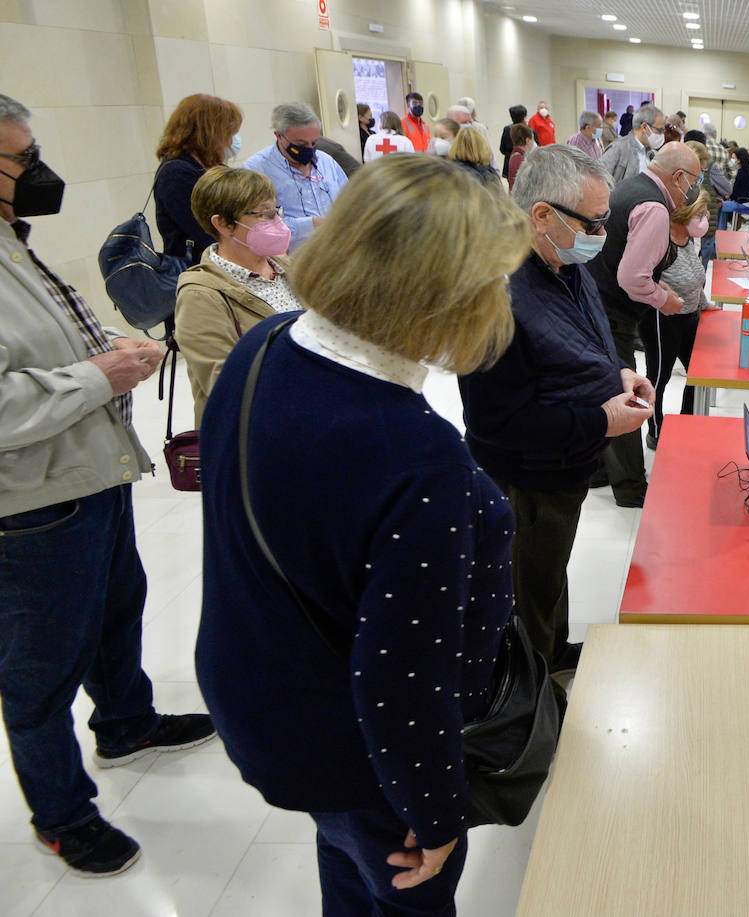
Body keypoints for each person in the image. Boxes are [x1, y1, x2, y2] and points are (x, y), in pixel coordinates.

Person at [195, 154, 529, 915]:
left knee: (346, 865)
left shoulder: (267, 345)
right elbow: (401, 676)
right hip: (360, 745)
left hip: (265, 694)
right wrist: (439, 813)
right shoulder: (416, 455)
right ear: (444, 295)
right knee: (401, 886)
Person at [0, 93, 215, 877]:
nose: (37, 170)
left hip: (93, 471)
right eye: (21, 159)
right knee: (40, 666)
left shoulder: (14, 243)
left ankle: (126, 719)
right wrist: (99, 374)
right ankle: (60, 812)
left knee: (117, 607)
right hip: (30, 503)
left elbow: (47, 348)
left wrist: (105, 352)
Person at [459, 145, 652, 685]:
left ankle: (552, 650)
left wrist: (617, 373)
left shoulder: (563, 262)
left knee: (548, 574)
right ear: (542, 215)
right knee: (524, 588)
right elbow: (498, 424)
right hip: (526, 477)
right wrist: (602, 423)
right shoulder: (495, 295)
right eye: (593, 221)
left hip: (565, 466)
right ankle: (530, 692)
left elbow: (588, 335)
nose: (602, 232)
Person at [585, 142, 701, 507]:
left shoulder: (632, 185)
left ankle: (600, 471)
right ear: (679, 177)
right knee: (625, 395)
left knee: (604, 388)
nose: (693, 191)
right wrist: (662, 299)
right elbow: (632, 277)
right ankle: (631, 488)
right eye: (693, 181)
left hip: (595, 302)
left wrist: (654, 284)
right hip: (612, 313)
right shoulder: (654, 207)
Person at [175, 166, 301, 425]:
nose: (277, 222)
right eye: (263, 214)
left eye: (275, 211)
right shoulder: (200, 294)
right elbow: (226, 385)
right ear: (222, 224)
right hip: (258, 434)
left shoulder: (286, 267)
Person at [642, 193, 715, 448]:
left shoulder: (688, 239)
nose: (705, 220)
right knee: (658, 378)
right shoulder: (661, 242)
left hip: (690, 317)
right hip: (664, 320)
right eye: (700, 214)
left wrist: (705, 305)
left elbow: (695, 278)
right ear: (683, 214)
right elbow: (642, 278)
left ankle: (686, 422)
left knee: (699, 375)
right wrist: (662, 294)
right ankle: (656, 431)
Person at [243, 102, 348, 253]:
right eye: (301, 143)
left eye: (314, 142)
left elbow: (349, 200)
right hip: (291, 264)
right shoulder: (256, 170)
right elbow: (255, 226)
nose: (309, 149)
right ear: (279, 135)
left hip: (337, 255)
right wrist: (312, 224)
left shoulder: (326, 161)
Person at [152, 93, 244, 266]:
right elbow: (206, 231)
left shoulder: (211, 166)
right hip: (199, 269)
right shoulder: (176, 173)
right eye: (228, 133)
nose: (231, 141)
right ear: (209, 133)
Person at [601, 103, 665, 185]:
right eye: (660, 130)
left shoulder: (650, 153)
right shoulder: (617, 149)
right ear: (644, 127)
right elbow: (599, 182)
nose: (662, 135)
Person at [684, 138, 722, 266]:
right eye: (701, 170)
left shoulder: (694, 190)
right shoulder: (678, 199)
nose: (702, 175)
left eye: (704, 171)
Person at [716, 147, 749, 229]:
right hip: (748, 201)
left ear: (739, 160)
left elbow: (735, 192)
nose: (732, 160)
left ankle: (721, 230)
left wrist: (728, 196)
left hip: (742, 202)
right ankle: (722, 229)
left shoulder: (741, 172)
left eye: (734, 158)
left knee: (721, 206)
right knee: (724, 204)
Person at [499, 104, 527, 178]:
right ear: (524, 117)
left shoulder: (507, 129)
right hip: (525, 164)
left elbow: (502, 149)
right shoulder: (529, 131)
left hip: (509, 164)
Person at [506, 123, 535, 190]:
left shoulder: (516, 156)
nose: (533, 142)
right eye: (532, 139)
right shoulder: (520, 160)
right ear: (527, 140)